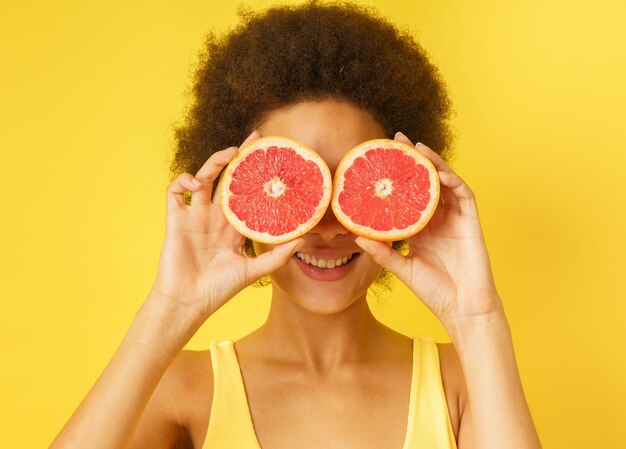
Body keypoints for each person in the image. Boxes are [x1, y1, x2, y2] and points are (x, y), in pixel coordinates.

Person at [50, 2, 542, 448]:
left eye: (351, 185)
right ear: (240, 195)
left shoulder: (465, 381)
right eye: (295, 188)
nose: (326, 227)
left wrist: (479, 321)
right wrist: (169, 308)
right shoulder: (185, 389)